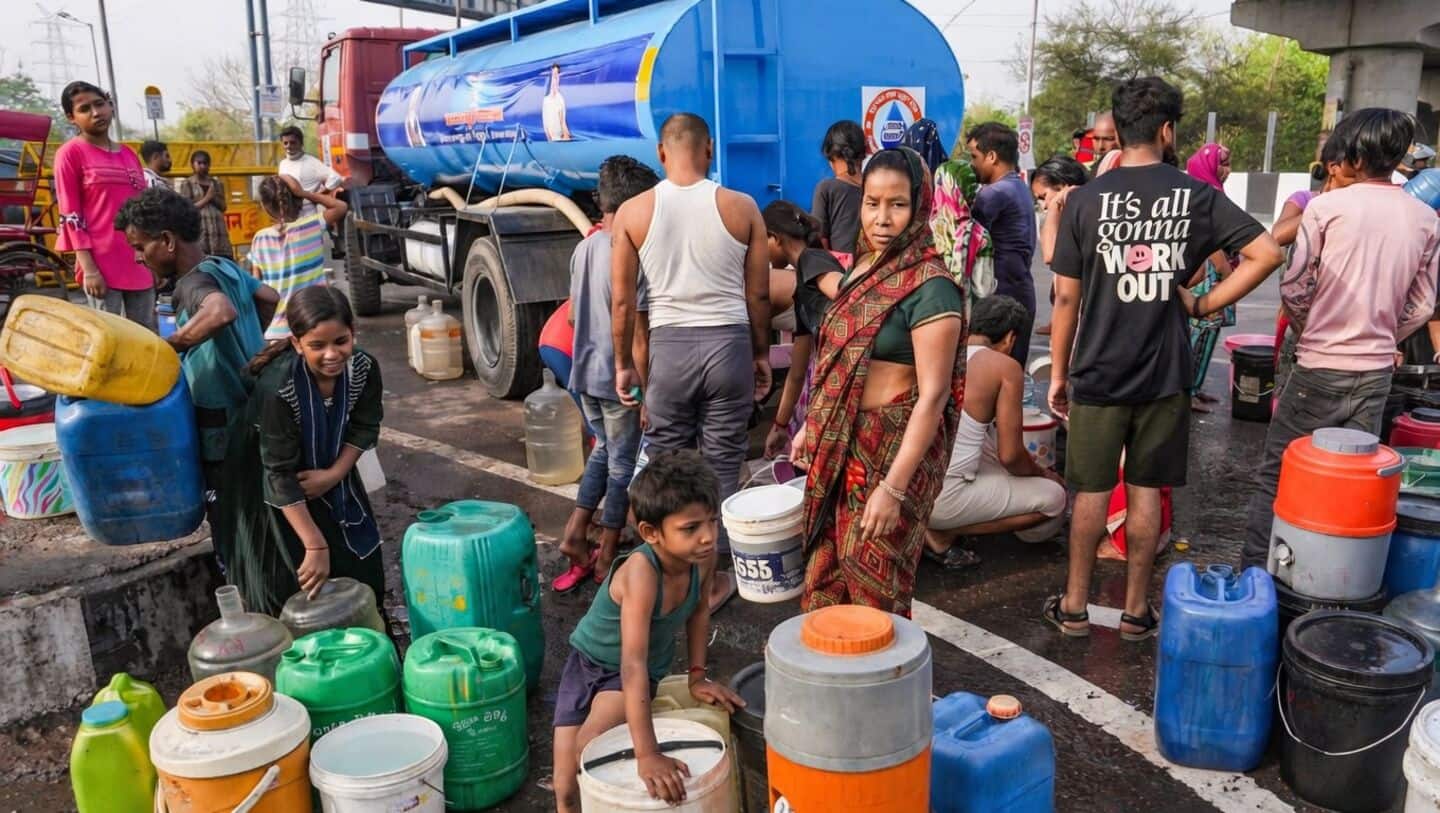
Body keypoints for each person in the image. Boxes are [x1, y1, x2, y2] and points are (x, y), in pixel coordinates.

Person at [1045, 77, 1283, 640]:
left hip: (1099, 369)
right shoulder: (1194, 195)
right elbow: (1266, 251)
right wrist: (1203, 304)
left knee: (1092, 492)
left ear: (1117, 131)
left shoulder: (1083, 200)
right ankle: (1135, 613)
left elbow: (1066, 298)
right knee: (1148, 490)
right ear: (1168, 129)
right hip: (1165, 372)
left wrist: (1058, 373)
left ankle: (1074, 608)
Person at [1240, 109, 1440, 568]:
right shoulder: (1426, 219)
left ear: (1354, 153)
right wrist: (1383, 335)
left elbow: (1293, 289)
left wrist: (1317, 329)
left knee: (1282, 471)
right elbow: (1422, 305)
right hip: (1374, 374)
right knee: (1348, 478)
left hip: (1317, 367)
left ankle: (1258, 571)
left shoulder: (1326, 208)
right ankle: (1327, 576)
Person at [790, 146, 965, 617]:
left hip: (886, 451)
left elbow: (934, 397)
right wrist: (813, 424)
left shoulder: (931, 285)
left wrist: (894, 488)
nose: (882, 218)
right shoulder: (863, 270)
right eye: (872, 203)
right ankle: (833, 685)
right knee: (825, 571)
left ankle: (884, 687)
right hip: (838, 443)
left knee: (874, 583)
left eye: (897, 204)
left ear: (920, 206)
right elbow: (839, 357)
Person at [611, 113, 772, 612]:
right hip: (729, 347)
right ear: (711, 150)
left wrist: (624, 365)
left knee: (667, 465)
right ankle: (710, 583)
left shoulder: (633, 213)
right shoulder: (742, 207)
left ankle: (663, 578)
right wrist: (761, 353)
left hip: (669, 350)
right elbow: (760, 293)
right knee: (723, 462)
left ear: (661, 153)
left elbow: (620, 303)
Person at [551, 449, 745, 813]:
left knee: (587, 749)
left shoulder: (700, 561)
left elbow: (699, 612)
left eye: (712, 522)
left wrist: (697, 676)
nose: (707, 537)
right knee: (563, 787)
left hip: (623, 680)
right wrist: (648, 754)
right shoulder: (642, 572)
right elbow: (633, 661)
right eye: (690, 528)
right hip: (587, 664)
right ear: (650, 533)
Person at [114, 187, 278, 544]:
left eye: (140, 247)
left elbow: (220, 312)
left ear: (168, 241)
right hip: (256, 408)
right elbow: (269, 297)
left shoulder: (191, 284)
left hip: (222, 424)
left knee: (233, 521)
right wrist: (248, 344)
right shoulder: (224, 266)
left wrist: (168, 348)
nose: (139, 258)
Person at [218, 285, 386, 615]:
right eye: (316, 346)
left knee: (360, 570)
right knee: (290, 582)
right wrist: (314, 543)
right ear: (297, 344)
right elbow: (277, 473)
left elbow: (365, 426)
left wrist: (333, 474)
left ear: (353, 333)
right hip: (270, 486)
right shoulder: (279, 389)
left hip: (331, 470)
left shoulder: (364, 368)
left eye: (341, 341)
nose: (332, 354)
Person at [555, 156, 661, 592]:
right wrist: (646, 387)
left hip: (584, 375)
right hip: (619, 381)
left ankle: (575, 532)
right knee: (622, 468)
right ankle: (607, 555)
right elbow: (635, 328)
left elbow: (575, 319)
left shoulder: (585, 246)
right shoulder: (628, 247)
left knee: (605, 451)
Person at [925, 295, 1067, 569]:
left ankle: (936, 523)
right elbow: (1011, 455)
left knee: (984, 441)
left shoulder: (942, 351)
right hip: (942, 501)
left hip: (910, 490)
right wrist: (1044, 473)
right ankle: (943, 532)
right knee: (1055, 498)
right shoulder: (1004, 368)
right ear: (1010, 338)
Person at [53, 81, 157, 331]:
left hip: (137, 262)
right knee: (109, 339)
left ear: (110, 105)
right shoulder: (70, 153)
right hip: (100, 264)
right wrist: (88, 268)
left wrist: (152, 258)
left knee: (147, 338)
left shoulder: (129, 154)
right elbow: (70, 214)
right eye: (85, 109)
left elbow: (141, 212)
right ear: (71, 117)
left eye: (100, 104)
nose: (96, 112)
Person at [762, 200, 844, 460]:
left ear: (774, 238)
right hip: (834, 379)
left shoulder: (812, 260)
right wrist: (780, 425)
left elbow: (849, 296)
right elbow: (797, 372)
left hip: (848, 375)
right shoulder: (802, 288)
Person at [967, 122, 1037, 364]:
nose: (972, 164)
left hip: (1000, 302)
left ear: (992, 156)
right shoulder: (1019, 187)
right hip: (1021, 293)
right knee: (1011, 379)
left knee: (989, 380)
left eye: (974, 156)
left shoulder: (994, 194)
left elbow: (964, 239)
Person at [250, 174, 347, 340]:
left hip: (276, 333)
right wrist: (305, 193)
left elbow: (256, 288)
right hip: (313, 326)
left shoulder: (260, 239)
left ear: (264, 206)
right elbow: (341, 207)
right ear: (298, 202)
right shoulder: (312, 226)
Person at [1184, 143, 1238, 411]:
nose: (1227, 170)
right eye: (1222, 163)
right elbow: (1211, 242)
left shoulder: (1212, 192)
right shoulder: (1204, 194)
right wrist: (1228, 274)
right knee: (1198, 335)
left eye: (1228, 164)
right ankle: (1186, 391)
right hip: (1206, 275)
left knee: (1207, 337)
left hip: (1213, 275)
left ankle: (1195, 386)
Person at [1030, 155, 1089, 336]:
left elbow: (1050, 255)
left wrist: (1055, 206)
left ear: (1063, 186)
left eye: (1044, 196)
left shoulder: (1083, 215)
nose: (1044, 205)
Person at [812, 120, 866, 257]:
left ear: (831, 156)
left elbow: (819, 241)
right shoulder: (875, 186)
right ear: (863, 154)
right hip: (872, 266)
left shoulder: (826, 188)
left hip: (841, 270)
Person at [175, 150, 232, 258]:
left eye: (205, 163)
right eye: (199, 163)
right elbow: (187, 210)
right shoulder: (187, 184)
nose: (202, 166)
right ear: (193, 164)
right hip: (201, 232)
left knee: (222, 264)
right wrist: (207, 198)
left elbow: (223, 207)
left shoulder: (216, 183)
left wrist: (213, 197)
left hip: (218, 233)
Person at [277, 126, 344, 218]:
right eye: (285, 143)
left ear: (301, 143)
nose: (289, 146)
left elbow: (336, 178)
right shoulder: (283, 164)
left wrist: (318, 195)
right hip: (288, 214)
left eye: (293, 142)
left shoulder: (311, 162)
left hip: (307, 214)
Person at [543, 63, 572, 142]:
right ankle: (564, 135)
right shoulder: (550, 99)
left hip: (556, 134)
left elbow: (555, 86)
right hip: (555, 133)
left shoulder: (556, 99)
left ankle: (565, 135)